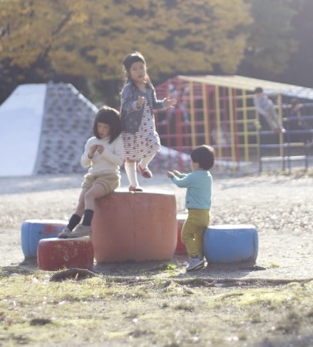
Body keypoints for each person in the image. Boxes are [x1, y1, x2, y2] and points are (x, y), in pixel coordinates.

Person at [59, 106, 125, 238]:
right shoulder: (91, 141)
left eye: (105, 127)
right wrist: (90, 154)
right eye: (99, 126)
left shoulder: (117, 140)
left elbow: (119, 161)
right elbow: (84, 163)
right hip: (92, 176)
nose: (102, 130)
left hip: (109, 177)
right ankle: (68, 229)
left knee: (89, 196)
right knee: (81, 203)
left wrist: (104, 153)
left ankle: (86, 226)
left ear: (112, 127)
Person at [119, 51, 177, 191]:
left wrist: (165, 104)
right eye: (134, 69)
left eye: (141, 67)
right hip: (131, 127)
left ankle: (143, 165)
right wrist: (136, 104)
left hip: (148, 125)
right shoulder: (129, 88)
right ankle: (134, 184)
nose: (139, 71)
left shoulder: (149, 87)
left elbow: (154, 104)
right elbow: (125, 105)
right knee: (131, 156)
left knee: (155, 145)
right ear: (128, 72)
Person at [167, 145, 215, 272]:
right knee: (199, 237)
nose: (191, 164)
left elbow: (181, 183)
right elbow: (190, 178)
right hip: (205, 214)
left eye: (192, 161)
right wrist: (181, 174)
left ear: (197, 164)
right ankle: (200, 258)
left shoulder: (193, 177)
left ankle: (195, 258)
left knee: (186, 235)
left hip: (195, 214)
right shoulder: (207, 176)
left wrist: (173, 177)